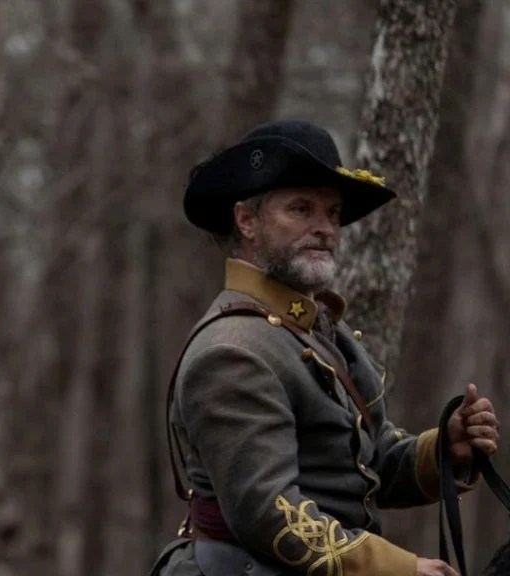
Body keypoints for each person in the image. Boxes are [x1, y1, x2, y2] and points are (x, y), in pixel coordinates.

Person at [160, 120, 501, 576]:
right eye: (301, 209)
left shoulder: (315, 330)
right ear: (246, 220)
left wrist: (445, 450)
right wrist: (399, 569)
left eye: (332, 213)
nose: (323, 228)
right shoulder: (233, 351)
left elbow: (364, 464)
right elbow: (271, 513)